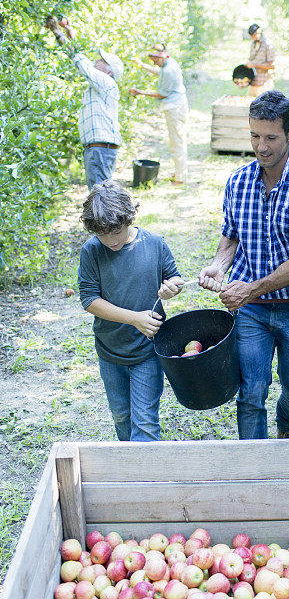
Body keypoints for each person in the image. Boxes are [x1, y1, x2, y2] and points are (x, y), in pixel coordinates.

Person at [160, 90, 289, 440]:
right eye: (255, 136)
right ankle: (253, 469)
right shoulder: (238, 182)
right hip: (252, 311)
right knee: (252, 392)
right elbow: (231, 236)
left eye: (271, 137)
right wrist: (218, 264)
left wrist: (252, 288)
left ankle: (286, 430)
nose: (261, 147)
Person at [78, 180, 184, 441]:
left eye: (117, 232)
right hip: (110, 351)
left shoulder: (154, 243)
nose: (111, 240)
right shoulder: (92, 251)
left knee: (145, 423)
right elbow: (89, 299)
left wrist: (172, 287)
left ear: (130, 218)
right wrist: (134, 318)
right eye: (102, 234)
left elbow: (174, 278)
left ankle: (148, 480)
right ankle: (130, 468)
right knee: (121, 416)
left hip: (147, 350)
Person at [45, 17, 123, 188]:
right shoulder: (100, 85)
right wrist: (69, 33)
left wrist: (57, 32)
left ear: (109, 71)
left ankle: (106, 216)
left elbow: (81, 62)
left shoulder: (106, 82)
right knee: (101, 194)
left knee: (100, 195)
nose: (97, 61)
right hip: (98, 148)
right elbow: (82, 59)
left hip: (100, 149)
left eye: (102, 61)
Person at [130, 43, 188, 186]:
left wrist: (140, 92)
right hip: (177, 104)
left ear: (161, 57)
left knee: (177, 141)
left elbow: (161, 94)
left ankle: (180, 177)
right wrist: (143, 66)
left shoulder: (168, 70)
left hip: (174, 107)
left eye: (155, 60)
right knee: (178, 139)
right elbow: (159, 73)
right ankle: (179, 173)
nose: (154, 63)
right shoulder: (169, 63)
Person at [246, 23, 275, 97]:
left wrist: (255, 65)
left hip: (264, 83)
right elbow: (251, 59)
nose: (253, 37)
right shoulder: (253, 43)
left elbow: (272, 66)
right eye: (251, 36)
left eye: (254, 35)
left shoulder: (268, 44)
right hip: (253, 82)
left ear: (259, 32)